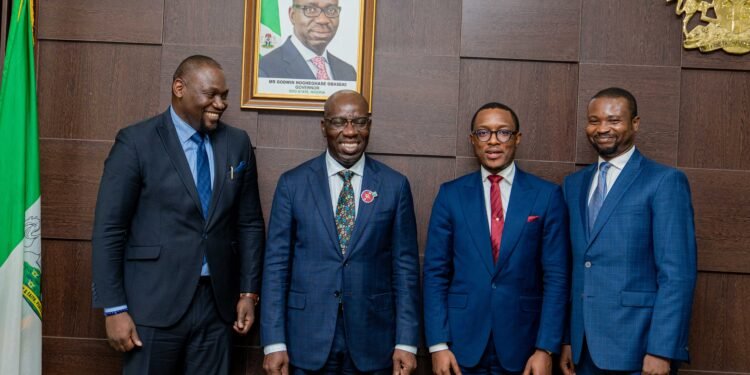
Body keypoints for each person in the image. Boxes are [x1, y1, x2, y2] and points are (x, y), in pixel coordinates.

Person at [91, 55, 265, 374]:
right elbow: (109, 229)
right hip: (152, 305)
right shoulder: (136, 142)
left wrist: (248, 292)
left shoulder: (237, 143)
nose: (220, 103)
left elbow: (249, 224)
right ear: (179, 87)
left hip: (218, 306)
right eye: (211, 94)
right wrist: (113, 308)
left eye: (224, 95)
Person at [261, 90, 420, 374]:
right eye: (339, 122)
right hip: (305, 339)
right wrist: (274, 343)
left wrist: (406, 342)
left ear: (369, 125)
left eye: (359, 122)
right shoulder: (292, 184)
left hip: (374, 340)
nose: (350, 131)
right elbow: (276, 267)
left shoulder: (394, 186)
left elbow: (405, 269)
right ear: (324, 126)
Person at [423, 102, 570, 375]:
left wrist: (546, 348)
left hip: (525, 346)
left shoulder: (546, 196)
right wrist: (438, 345)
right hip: (460, 345)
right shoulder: (450, 195)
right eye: (483, 133)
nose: (493, 141)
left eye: (503, 132)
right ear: (472, 140)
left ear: (517, 138)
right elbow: (435, 274)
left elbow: (557, 277)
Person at [560, 87, 697, 375]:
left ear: (635, 123)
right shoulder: (573, 186)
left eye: (614, 120)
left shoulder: (664, 182)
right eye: (594, 121)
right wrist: (568, 340)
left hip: (638, 350)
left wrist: (661, 350)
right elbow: (577, 268)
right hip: (583, 350)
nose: (602, 129)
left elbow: (677, 275)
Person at [259, 0, 356, 81]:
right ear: (292, 15)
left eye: (331, 10)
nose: (323, 20)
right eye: (311, 9)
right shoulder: (264, 70)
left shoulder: (348, 73)